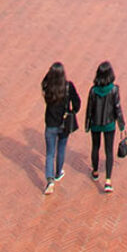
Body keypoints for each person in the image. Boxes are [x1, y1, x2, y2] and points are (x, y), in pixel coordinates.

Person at [84, 61, 127, 193]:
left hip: (95, 124)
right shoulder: (114, 89)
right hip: (109, 124)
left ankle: (95, 171)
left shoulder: (93, 90)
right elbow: (117, 108)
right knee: (109, 151)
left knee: (95, 147)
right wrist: (121, 125)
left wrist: (87, 124)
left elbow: (89, 109)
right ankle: (108, 180)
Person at [41, 61, 80, 194]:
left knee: (50, 153)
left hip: (50, 123)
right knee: (61, 148)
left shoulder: (48, 87)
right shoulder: (68, 86)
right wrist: (72, 112)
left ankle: (50, 180)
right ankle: (58, 172)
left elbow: (44, 82)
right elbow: (77, 103)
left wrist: (50, 75)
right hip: (64, 123)